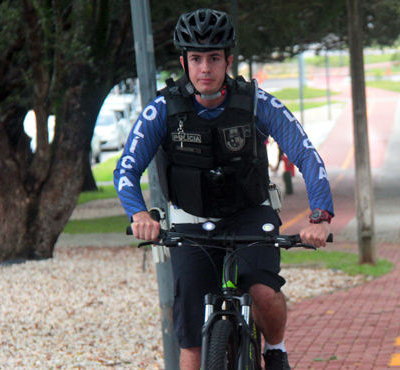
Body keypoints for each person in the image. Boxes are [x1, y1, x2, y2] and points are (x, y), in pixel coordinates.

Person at [113, 9, 333, 370]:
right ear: (184, 61)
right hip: (190, 220)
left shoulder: (257, 103)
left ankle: (275, 351)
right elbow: (127, 168)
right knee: (191, 341)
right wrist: (139, 214)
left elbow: (306, 155)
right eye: (196, 59)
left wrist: (320, 216)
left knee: (263, 291)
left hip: (250, 213)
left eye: (214, 58)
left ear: (228, 61)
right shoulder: (162, 110)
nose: (205, 69)